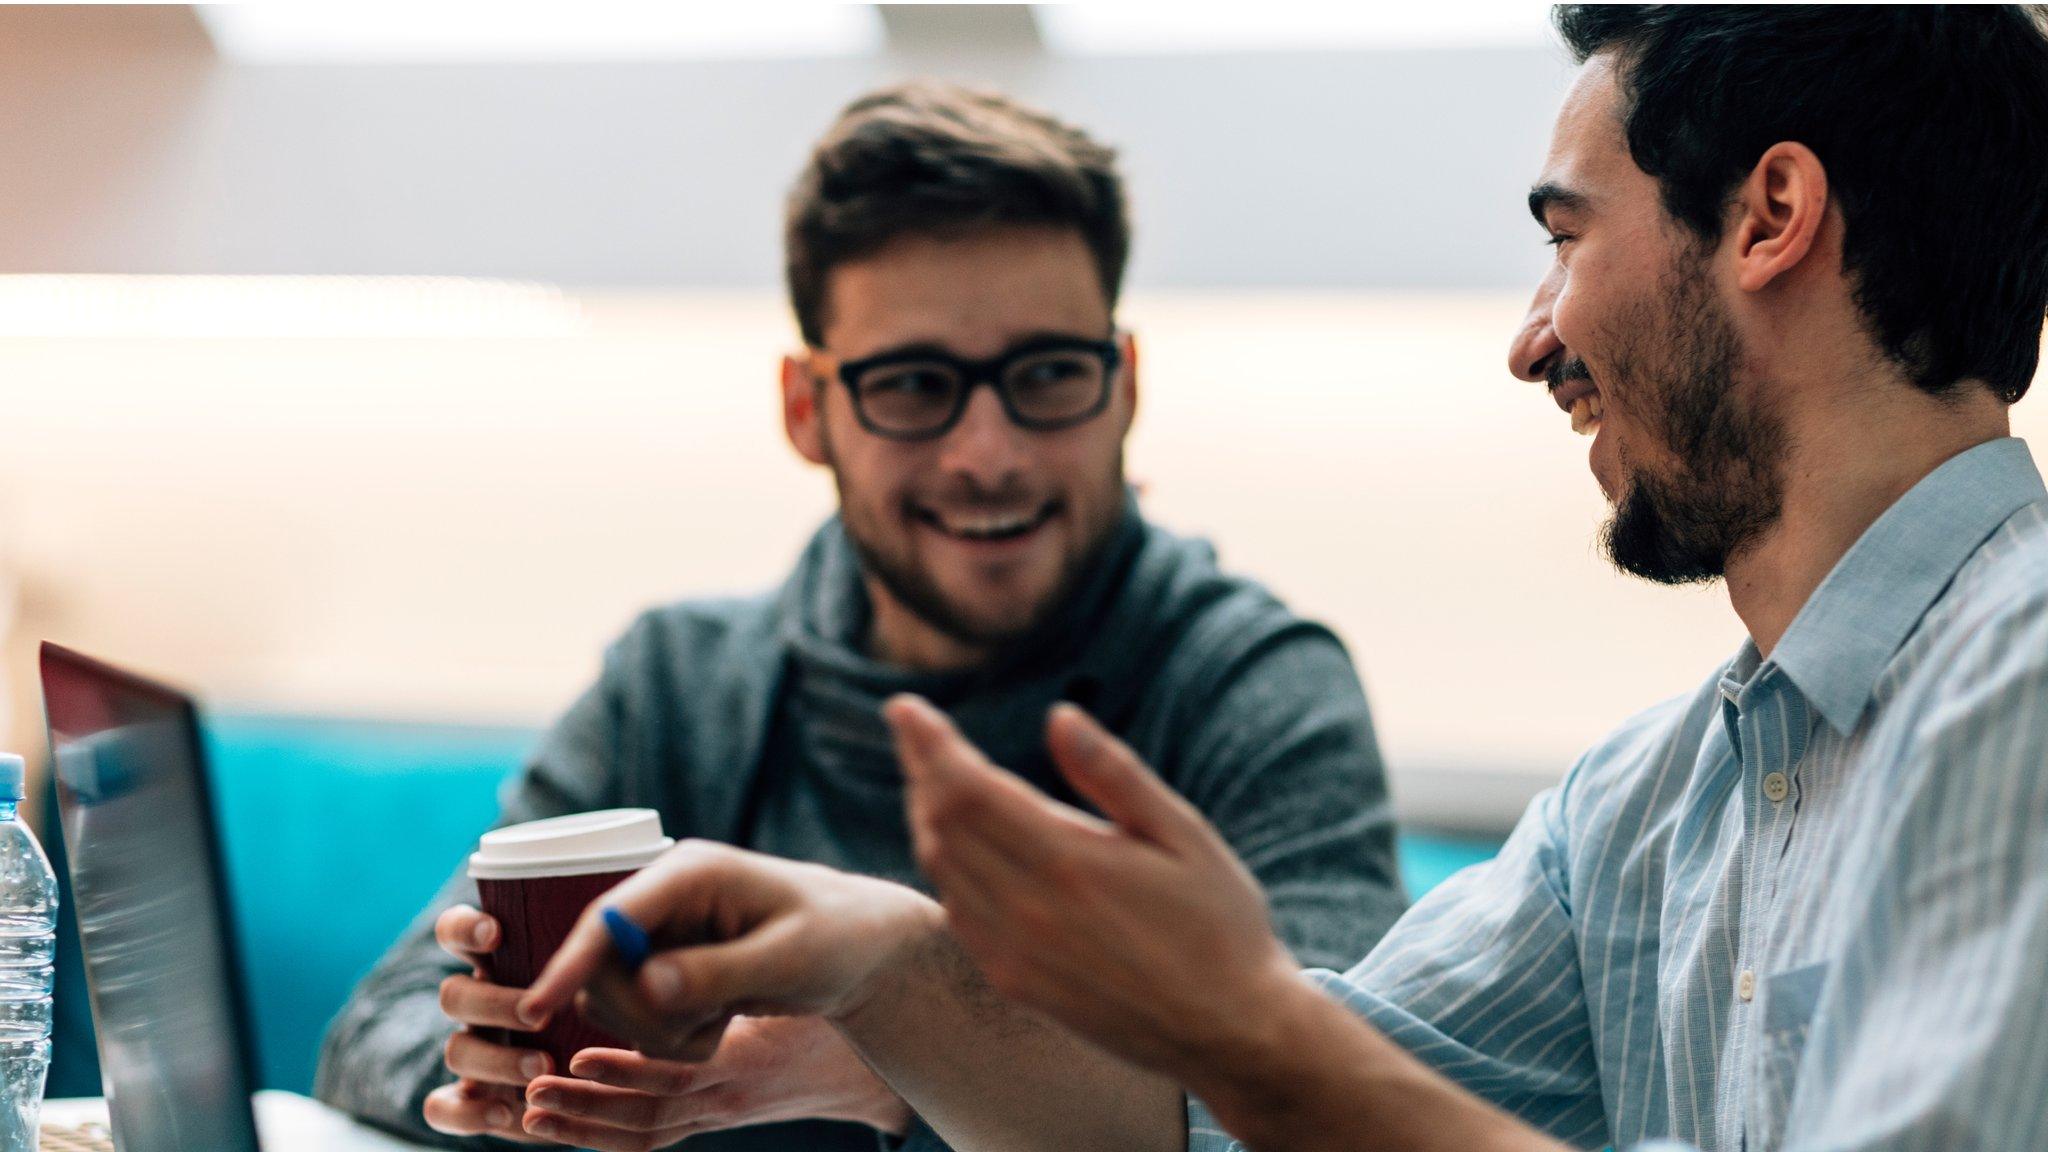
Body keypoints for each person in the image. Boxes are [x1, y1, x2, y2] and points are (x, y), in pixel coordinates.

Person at [518, 8, 2048, 1152]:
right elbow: (1222, 1118)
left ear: (1771, 219)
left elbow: (1276, 1067)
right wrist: (885, 962)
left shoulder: (2021, 678)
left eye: (1566, 241)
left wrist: (1237, 1017)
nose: (1531, 337)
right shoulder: (1641, 811)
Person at [314, 81, 1408, 1152]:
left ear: (1121, 384)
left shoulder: (1251, 685)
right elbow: (382, 1029)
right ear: (807, 409)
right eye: (914, 386)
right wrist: (520, 1082)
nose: (988, 454)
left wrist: (898, 1051)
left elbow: (1335, 1090)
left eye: (1045, 373)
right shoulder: (676, 683)